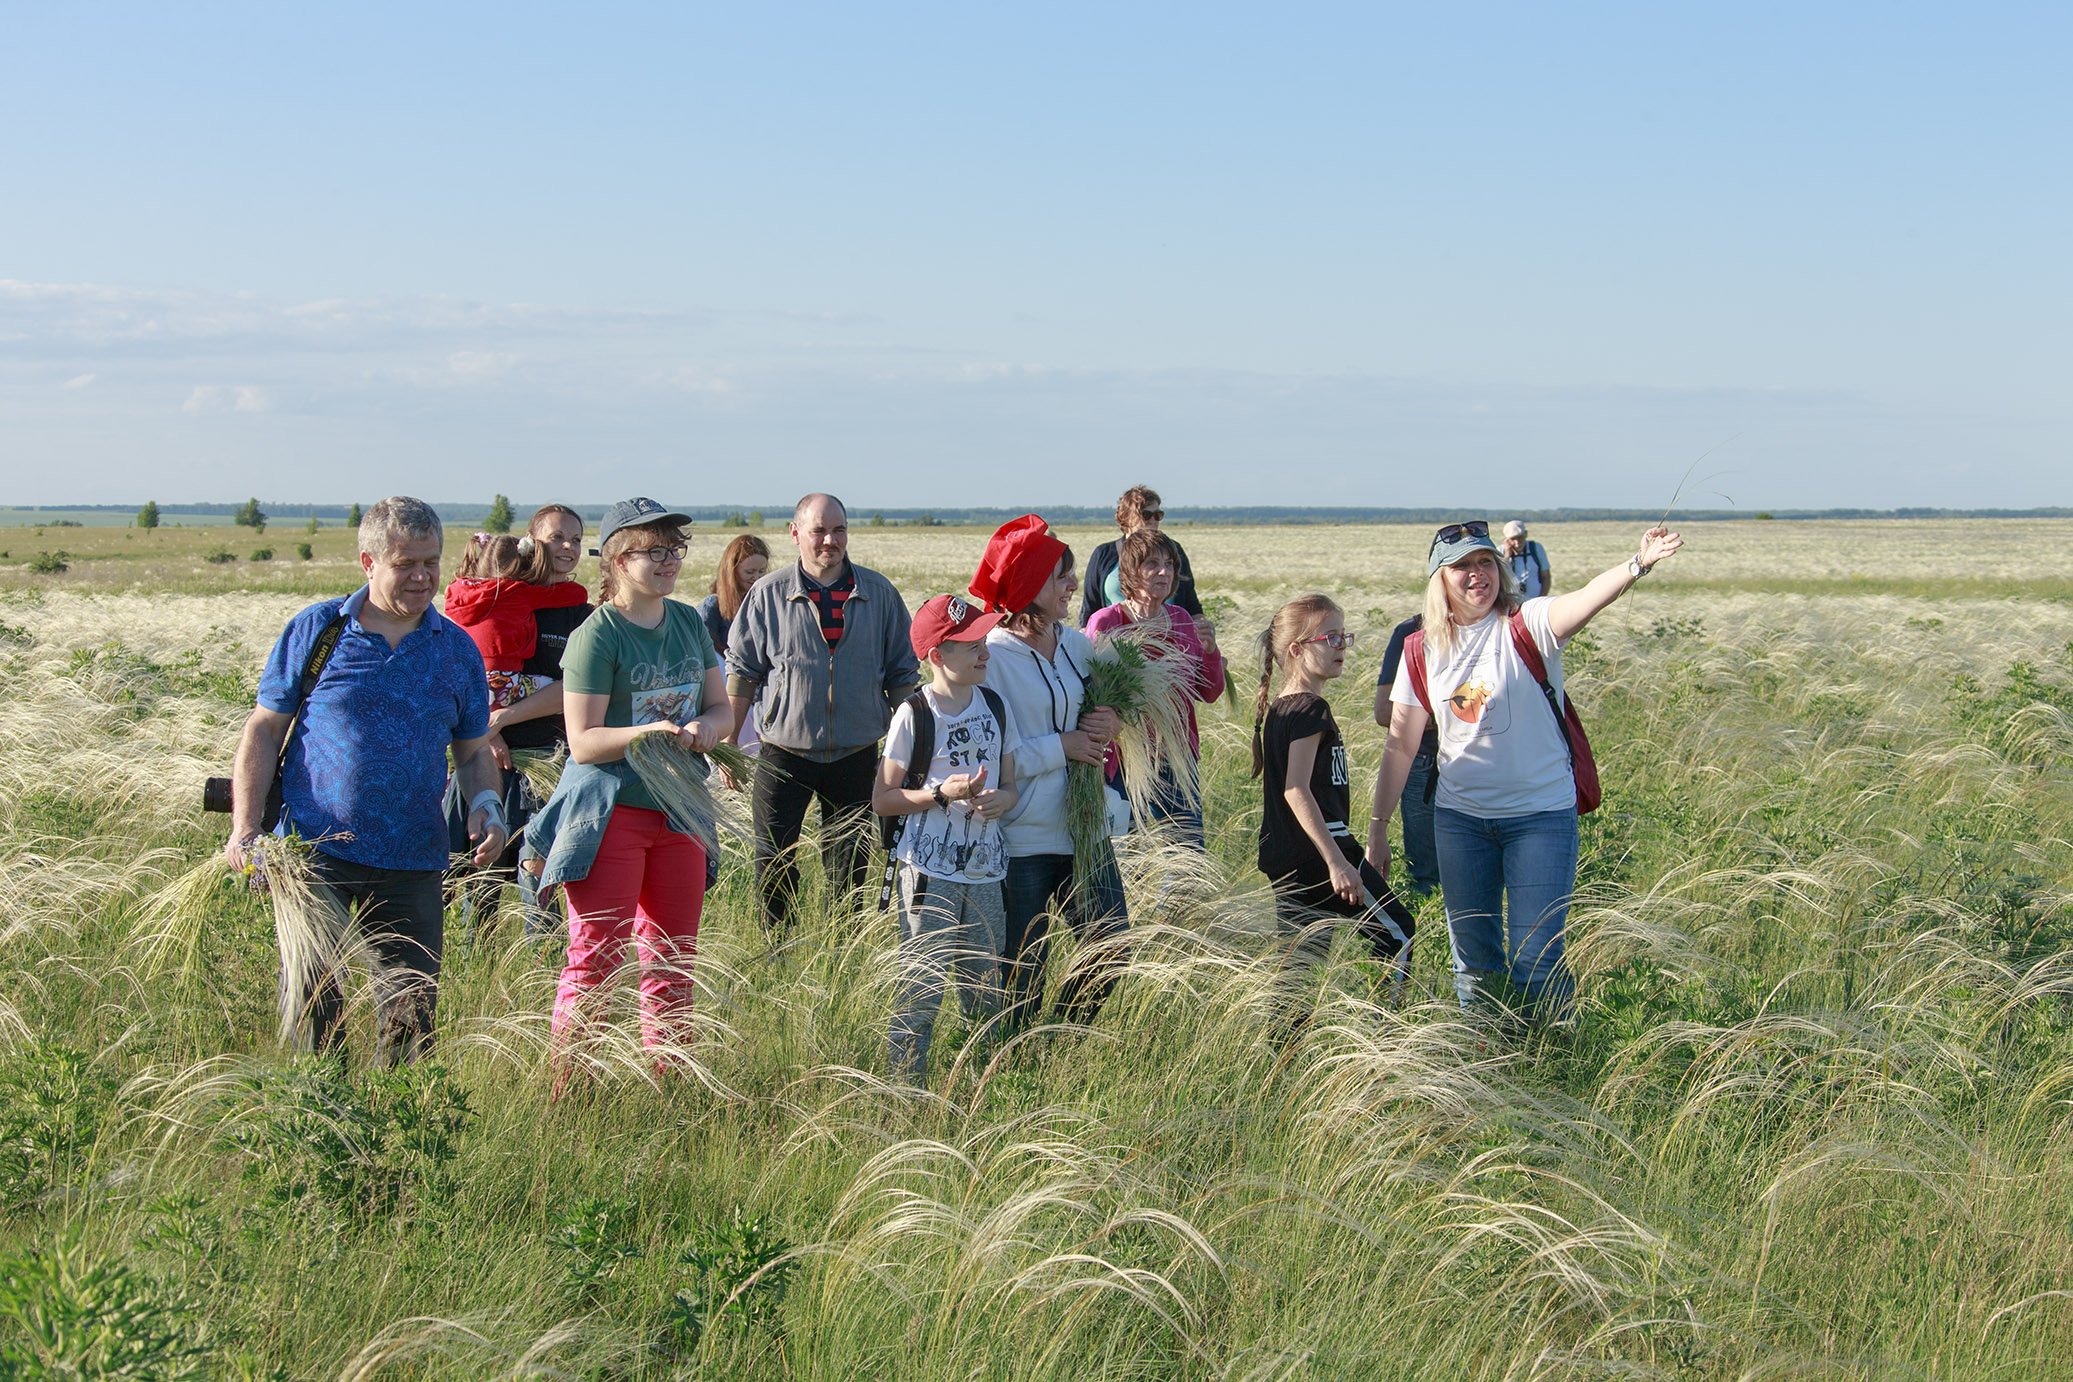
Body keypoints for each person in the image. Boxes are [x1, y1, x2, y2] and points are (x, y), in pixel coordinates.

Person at [223, 495, 506, 1063]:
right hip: (312, 851)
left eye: (431, 561)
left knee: (410, 1014)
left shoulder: (455, 651)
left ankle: (392, 1136)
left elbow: (474, 750)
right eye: (406, 564)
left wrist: (485, 805)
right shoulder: (317, 632)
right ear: (368, 562)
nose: (423, 576)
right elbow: (262, 730)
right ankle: (317, 1127)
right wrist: (245, 827)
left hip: (413, 858)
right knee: (312, 1005)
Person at [1365, 520, 1683, 1021]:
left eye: (1485, 562)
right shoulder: (1419, 649)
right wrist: (1378, 830)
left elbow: (1583, 601)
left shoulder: (1526, 623)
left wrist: (1637, 563)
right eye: (1462, 566)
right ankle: (1487, 1062)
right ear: (1439, 580)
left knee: (1537, 959)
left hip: (1540, 817)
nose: (1477, 574)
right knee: (1473, 963)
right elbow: (1401, 746)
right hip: (1460, 822)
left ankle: (1554, 1063)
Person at [525, 498, 731, 1078]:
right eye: (654, 550)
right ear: (617, 558)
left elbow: (721, 709)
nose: (670, 561)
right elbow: (584, 740)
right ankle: (571, 1090)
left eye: (675, 549)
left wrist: (706, 730)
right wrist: (650, 732)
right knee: (597, 961)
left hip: (681, 814)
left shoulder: (689, 622)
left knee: (673, 961)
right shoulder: (599, 635)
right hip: (611, 814)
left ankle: (667, 1082)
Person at [725, 494, 919, 935]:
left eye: (839, 530)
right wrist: (729, 745)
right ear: (796, 534)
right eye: (818, 531)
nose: (829, 540)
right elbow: (742, 672)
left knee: (849, 864)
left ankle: (841, 953)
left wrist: (910, 752)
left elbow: (903, 673)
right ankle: (777, 948)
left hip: (856, 751)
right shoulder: (768, 593)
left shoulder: (879, 593)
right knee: (772, 858)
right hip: (783, 752)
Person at [971, 515, 1129, 1035]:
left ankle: (1061, 1039)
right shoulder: (990, 658)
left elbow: (1098, 719)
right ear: (1026, 584)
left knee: (1112, 946)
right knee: (1022, 976)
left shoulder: (1078, 646)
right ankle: (1017, 1062)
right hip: (1021, 839)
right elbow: (988, 750)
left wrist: (1110, 720)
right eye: (1059, 575)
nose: (1070, 585)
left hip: (1084, 830)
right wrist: (1060, 747)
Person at [872, 594, 1020, 1081]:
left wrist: (1002, 801)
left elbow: (1012, 785)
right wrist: (940, 794)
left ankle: (983, 1091)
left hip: (986, 871)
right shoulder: (915, 714)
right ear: (938, 655)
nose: (985, 653)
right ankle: (905, 1096)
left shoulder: (996, 706)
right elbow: (884, 798)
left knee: (985, 991)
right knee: (921, 990)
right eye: (972, 644)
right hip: (928, 873)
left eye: (984, 641)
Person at [1253, 595, 1415, 1020]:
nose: (1342, 645)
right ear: (1297, 650)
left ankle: (1281, 1064)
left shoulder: (1282, 708)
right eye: (1330, 637)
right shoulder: (1310, 708)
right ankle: (1385, 1040)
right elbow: (1296, 791)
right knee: (1399, 934)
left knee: (1300, 969)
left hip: (1290, 857)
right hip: (1322, 855)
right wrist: (1338, 863)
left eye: (1345, 635)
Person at [440, 532, 591, 933]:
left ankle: (540, 956)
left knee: (536, 861)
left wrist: (499, 720)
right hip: (487, 757)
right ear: (532, 544)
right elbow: (468, 676)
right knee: (480, 860)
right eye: (556, 537)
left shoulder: (577, 612)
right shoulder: (506, 600)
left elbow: (574, 687)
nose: (568, 547)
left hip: (547, 754)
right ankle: (479, 959)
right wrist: (488, 733)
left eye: (576, 538)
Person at [1084, 528, 1224, 849]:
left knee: (1187, 854)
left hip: (1175, 759)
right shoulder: (1107, 622)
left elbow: (1210, 692)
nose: (1164, 571)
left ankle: (1176, 903)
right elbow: (1090, 695)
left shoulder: (1182, 620)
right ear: (1131, 571)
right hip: (1122, 761)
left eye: (1170, 564)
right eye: (1152, 564)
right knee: (1127, 853)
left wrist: (1211, 650)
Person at [1373, 613, 1440, 899]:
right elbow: (1384, 712)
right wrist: (1450, 715)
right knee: (1427, 875)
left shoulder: (1504, 626)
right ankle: (1424, 939)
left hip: (1489, 770)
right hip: (1425, 767)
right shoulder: (1410, 633)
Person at [1080, 484, 1203, 625]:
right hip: (1115, 639)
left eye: (1158, 515)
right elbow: (1089, 609)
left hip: (1168, 638)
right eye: (1146, 515)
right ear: (1126, 517)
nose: (1152, 520)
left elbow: (1191, 604)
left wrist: (1202, 630)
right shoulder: (1104, 554)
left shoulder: (1174, 551)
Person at [698, 534, 771, 754]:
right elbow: (701, 649)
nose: (755, 578)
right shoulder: (714, 605)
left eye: (761, 572)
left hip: (761, 693)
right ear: (732, 570)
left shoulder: (766, 602)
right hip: (728, 693)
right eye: (749, 572)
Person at [529, 503, 588, 586]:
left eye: (576, 539)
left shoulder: (576, 595)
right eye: (557, 537)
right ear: (530, 538)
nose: (569, 545)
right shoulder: (509, 593)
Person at [1502, 521, 1552, 598]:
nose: (1517, 542)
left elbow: (1546, 577)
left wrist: (1541, 599)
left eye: (1520, 537)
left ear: (1526, 534)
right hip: (1511, 604)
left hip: (1535, 601)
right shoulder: (1500, 552)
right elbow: (1498, 576)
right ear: (1507, 540)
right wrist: (1507, 556)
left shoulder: (1536, 549)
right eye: (1513, 539)